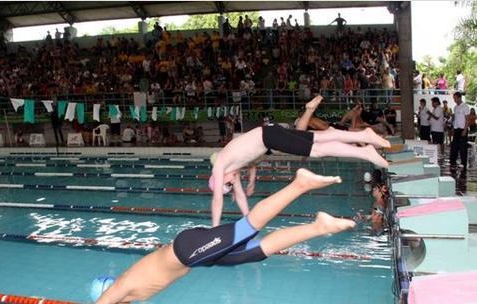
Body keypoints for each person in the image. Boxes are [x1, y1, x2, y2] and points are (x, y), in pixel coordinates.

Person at [94, 169, 356, 304]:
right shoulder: (129, 293)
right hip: (194, 258)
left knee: (247, 228)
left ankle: (300, 183)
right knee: (254, 252)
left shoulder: (122, 286)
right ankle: (319, 227)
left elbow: (108, 297)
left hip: (188, 250)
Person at [210, 96, 390, 227]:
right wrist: (248, 222)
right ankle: (364, 135)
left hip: (269, 137)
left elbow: (217, 200)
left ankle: (365, 153)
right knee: (320, 138)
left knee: (318, 150)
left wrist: (214, 229)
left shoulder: (220, 164)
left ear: (218, 179)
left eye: (228, 182)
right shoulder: (232, 169)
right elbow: (240, 197)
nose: (233, 181)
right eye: (231, 184)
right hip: (270, 136)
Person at [450, 92, 470, 170]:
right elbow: (455, 119)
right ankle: (452, 162)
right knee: (454, 146)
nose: (454, 100)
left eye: (455, 98)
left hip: (462, 129)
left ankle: (463, 163)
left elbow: (467, 119)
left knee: (462, 147)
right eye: (453, 98)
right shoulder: (455, 107)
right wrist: (453, 129)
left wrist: (465, 130)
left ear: (459, 98)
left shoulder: (465, 106)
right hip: (456, 129)